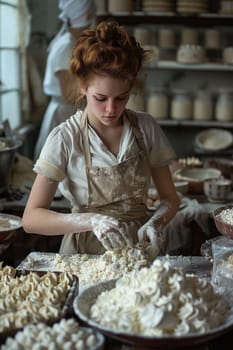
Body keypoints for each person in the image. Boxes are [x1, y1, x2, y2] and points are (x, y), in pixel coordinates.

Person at [23, 20, 180, 256]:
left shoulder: (145, 128)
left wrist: (156, 222)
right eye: (100, 97)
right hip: (83, 253)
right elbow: (32, 218)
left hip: (137, 249)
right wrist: (92, 220)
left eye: (121, 98)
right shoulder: (66, 137)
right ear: (83, 87)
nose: (110, 109)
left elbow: (170, 199)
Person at [33, 0, 96, 160]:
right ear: (86, 16)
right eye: (90, 18)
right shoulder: (66, 46)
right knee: (57, 166)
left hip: (69, 112)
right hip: (63, 114)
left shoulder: (73, 43)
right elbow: (69, 94)